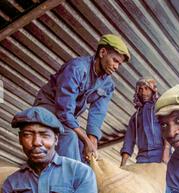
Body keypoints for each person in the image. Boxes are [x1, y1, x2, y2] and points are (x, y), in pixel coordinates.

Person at [34, 34, 130, 162]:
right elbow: (64, 109)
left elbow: (98, 113)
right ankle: (68, 179)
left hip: (67, 118)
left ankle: (82, 179)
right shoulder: (77, 68)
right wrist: (85, 139)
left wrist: (92, 141)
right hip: (48, 108)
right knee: (70, 137)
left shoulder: (108, 85)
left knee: (84, 151)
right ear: (102, 52)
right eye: (115, 60)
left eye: (120, 64)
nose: (117, 66)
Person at [120, 77, 173, 193]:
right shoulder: (135, 117)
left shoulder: (160, 110)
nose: (143, 92)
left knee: (163, 192)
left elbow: (168, 129)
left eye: (147, 88)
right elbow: (129, 140)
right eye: (140, 89)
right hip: (142, 158)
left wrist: (165, 154)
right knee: (143, 191)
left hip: (160, 154)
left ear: (153, 90)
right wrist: (123, 165)